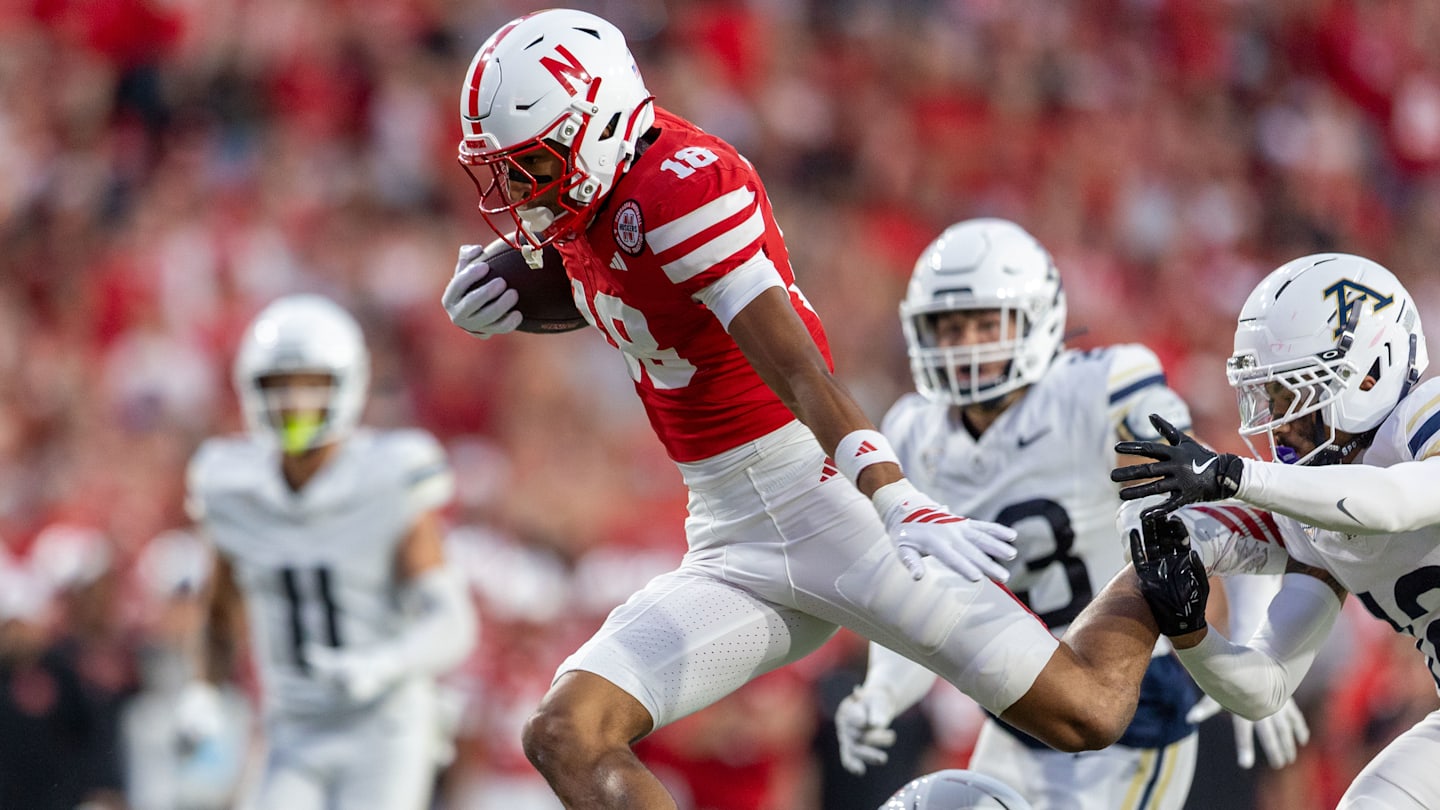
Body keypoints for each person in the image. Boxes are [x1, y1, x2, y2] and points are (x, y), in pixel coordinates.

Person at [442, 9, 1190, 808]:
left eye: (533, 164)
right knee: (565, 733)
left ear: (598, 124)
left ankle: (1164, 560)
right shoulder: (596, 194)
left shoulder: (685, 186)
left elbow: (798, 369)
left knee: (1085, 712)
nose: (519, 191)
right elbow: (628, 289)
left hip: (825, 503)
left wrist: (894, 496)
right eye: (510, 170)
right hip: (729, 535)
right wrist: (530, 303)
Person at [832, 219, 1307, 809]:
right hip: (1014, 691)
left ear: (1039, 319)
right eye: (951, 327)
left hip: (1129, 695)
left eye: (987, 323)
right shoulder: (912, 428)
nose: (969, 345)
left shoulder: (1103, 386)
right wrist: (881, 692)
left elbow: (1211, 509)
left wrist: (1260, 650)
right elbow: (922, 589)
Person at [1110, 252, 1440, 808]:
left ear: (1370, 372)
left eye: (1295, 395)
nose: (1280, 425)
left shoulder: (1423, 420)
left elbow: (1395, 502)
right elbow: (1266, 687)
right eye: (1270, 399)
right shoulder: (1312, 505)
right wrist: (1191, 632)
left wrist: (1235, 474)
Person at [184, 294, 477, 810]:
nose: (295, 402)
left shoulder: (389, 477)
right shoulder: (230, 486)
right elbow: (218, 613)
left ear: (347, 384)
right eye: (280, 385)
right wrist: (205, 691)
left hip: (384, 725)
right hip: (291, 729)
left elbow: (453, 621)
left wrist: (385, 664)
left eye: (311, 384)